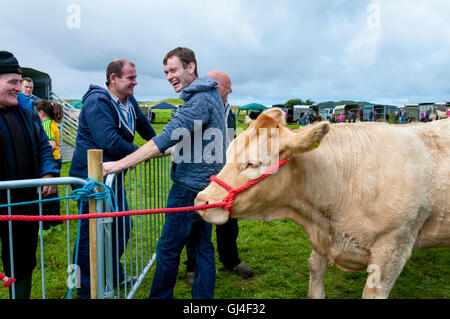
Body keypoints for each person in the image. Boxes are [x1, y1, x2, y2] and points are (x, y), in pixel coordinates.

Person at [103, 47, 227, 299]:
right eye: (166, 72)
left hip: (189, 189)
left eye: (173, 70)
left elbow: (163, 138)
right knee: (202, 247)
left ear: (190, 67)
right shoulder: (208, 95)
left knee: (168, 249)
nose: (169, 76)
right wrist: (173, 150)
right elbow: (184, 140)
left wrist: (118, 164)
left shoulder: (200, 100)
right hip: (207, 186)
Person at [69, 58, 157, 299]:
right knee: (90, 235)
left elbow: (145, 128)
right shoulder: (98, 101)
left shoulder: (128, 101)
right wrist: (146, 152)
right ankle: (83, 288)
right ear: (113, 79)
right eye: (130, 78)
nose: (135, 82)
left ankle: (110, 273)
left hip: (111, 175)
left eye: (135, 77)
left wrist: (160, 143)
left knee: (121, 227)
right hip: (90, 180)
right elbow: (108, 141)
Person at [183, 70, 253, 285]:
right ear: (215, 87)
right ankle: (192, 266)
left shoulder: (229, 111)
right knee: (196, 221)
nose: (231, 90)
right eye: (228, 86)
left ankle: (231, 260)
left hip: (224, 175)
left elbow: (229, 141)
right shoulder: (198, 105)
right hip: (199, 174)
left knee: (229, 220)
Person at [0, 51, 58, 299]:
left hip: (23, 204)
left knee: (22, 260)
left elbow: (45, 147)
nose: (18, 88)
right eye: (11, 82)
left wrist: (47, 173)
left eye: (18, 81)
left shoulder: (28, 113)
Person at [35, 99, 64, 234]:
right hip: (56, 159)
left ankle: (45, 226)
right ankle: (56, 223)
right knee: (53, 193)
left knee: (46, 194)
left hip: (51, 161)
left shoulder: (45, 124)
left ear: (40, 113)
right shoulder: (51, 122)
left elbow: (51, 145)